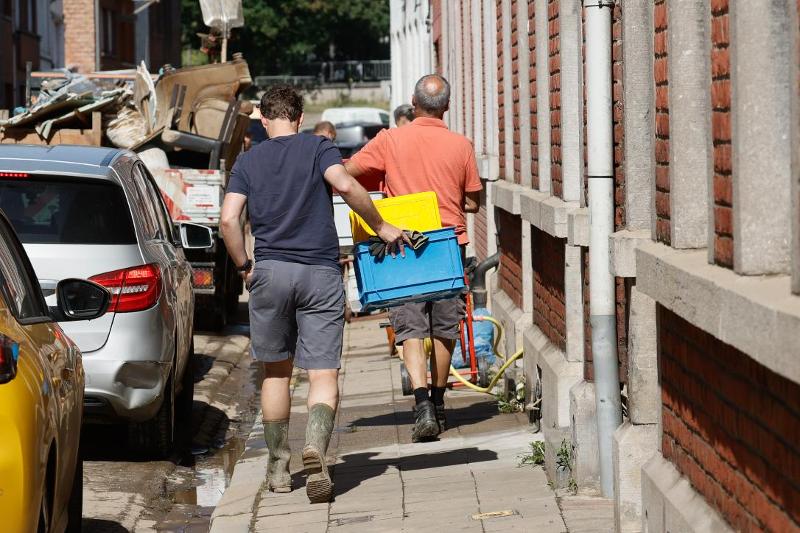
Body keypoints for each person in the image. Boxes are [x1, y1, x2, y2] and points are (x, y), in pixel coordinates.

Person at [220, 84, 407, 502]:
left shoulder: (248, 161)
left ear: (264, 121)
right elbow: (346, 186)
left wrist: (243, 266)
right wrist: (381, 226)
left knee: (276, 372)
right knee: (323, 372)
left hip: (269, 272)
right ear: (300, 118)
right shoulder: (319, 149)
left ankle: (277, 466)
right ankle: (316, 448)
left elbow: (229, 221)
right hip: (320, 272)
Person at [345, 74, 482, 442]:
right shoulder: (461, 145)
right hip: (448, 246)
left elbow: (347, 174)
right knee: (444, 325)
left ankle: (421, 403)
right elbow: (473, 200)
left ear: (413, 102)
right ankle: (438, 401)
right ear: (447, 107)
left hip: (402, 245)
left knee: (409, 326)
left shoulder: (389, 140)